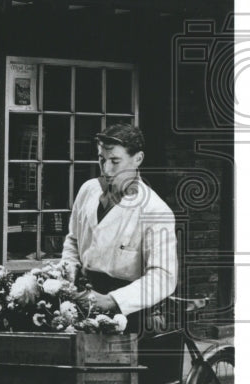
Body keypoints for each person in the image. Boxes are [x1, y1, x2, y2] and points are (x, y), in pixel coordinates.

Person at [62, 123, 177, 330]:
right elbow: (73, 240)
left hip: (129, 310)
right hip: (83, 297)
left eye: (115, 161)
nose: (106, 169)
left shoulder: (154, 210)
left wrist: (111, 300)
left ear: (138, 159)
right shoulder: (88, 191)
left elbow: (163, 277)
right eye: (101, 159)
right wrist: (70, 273)